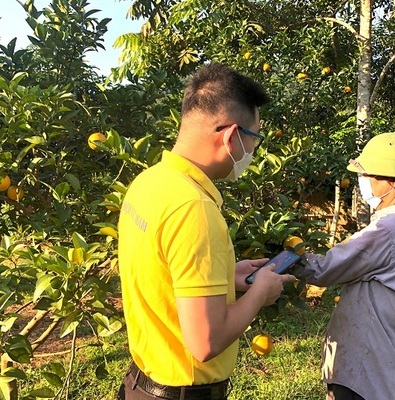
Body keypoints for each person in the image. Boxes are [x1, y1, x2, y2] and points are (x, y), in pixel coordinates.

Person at [116, 62, 295, 400]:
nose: (253, 152)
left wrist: (226, 278)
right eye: (254, 138)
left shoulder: (149, 182)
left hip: (140, 383)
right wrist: (260, 294)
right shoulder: (193, 208)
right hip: (181, 391)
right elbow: (204, 343)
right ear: (231, 136)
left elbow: (163, 276)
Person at [297, 132, 395, 400]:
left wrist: (284, 258)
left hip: (363, 370)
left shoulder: (388, 230)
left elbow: (323, 270)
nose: (363, 182)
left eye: (370, 176)